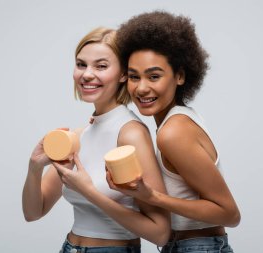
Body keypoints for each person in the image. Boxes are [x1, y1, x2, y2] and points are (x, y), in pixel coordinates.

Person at [22, 27, 170, 253]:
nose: (87, 74)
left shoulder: (130, 133)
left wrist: (88, 190)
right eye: (81, 64)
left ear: (123, 73)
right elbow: (33, 212)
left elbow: (160, 233)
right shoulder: (81, 135)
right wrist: (34, 168)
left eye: (101, 66)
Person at [108, 11, 241, 253]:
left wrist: (153, 197)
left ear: (179, 76)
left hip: (197, 247)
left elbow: (229, 214)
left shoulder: (173, 133)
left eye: (154, 76)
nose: (141, 88)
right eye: (134, 77)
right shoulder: (178, 119)